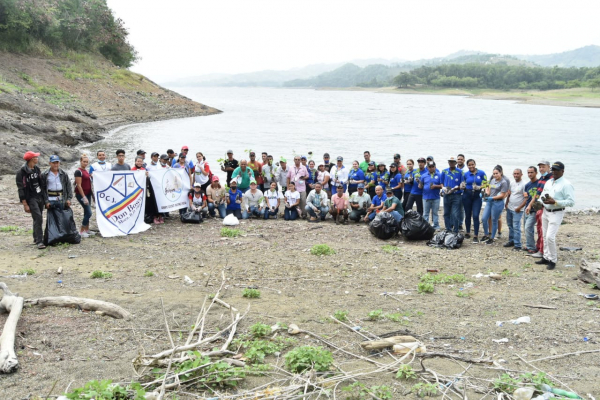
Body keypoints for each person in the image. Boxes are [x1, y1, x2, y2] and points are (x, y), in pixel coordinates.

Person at [535, 162, 575, 270]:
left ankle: (553, 259)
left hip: (556, 212)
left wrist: (555, 202)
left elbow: (571, 202)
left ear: (562, 171)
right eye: (553, 170)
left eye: (557, 170)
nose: (554, 172)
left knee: (550, 237)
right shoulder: (549, 182)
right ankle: (546, 257)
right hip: (546, 211)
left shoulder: (566, 184)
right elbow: (543, 194)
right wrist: (539, 202)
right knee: (544, 236)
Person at [16, 151, 48, 249]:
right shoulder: (22, 172)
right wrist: (25, 203)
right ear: (31, 159)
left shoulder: (37, 169)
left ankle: (35, 238)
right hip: (30, 198)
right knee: (38, 217)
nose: (37, 158)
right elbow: (21, 188)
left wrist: (44, 197)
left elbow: (41, 183)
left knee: (38, 217)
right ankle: (39, 241)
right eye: (36, 157)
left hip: (39, 197)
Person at [526, 161, 552, 258]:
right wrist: (530, 205)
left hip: (545, 207)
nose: (541, 169)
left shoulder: (551, 178)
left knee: (543, 230)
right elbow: (537, 194)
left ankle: (542, 251)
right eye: (540, 167)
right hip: (538, 206)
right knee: (539, 228)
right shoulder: (542, 178)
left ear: (548, 167)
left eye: (543, 167)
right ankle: (539, 247)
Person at [481, 167, 509, 245]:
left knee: (494, 220)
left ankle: (492, 237)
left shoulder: (504, 182)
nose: (495, 175)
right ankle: (486, 234)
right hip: (490, 202)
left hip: (497, 203)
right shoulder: (492, 180)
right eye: (494, 173)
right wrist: (485, 195)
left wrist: (492, 198)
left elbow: (503, 195)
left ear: (501, 173)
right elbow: (489, 191)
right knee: (484, 218)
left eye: (497, 173)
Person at [462, 159, 487, 242]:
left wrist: (480, 187)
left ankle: (476, 234)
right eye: (469, 165)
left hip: (477, 196)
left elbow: (486, 184)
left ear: (475, 164)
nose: (471, 166)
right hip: (467, 195)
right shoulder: (466, 174)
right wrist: (462, 186)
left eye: (472, 164)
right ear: (467, 166)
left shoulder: (481, 173)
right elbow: (463, 183)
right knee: (467, 215)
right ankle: (468, 232)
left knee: (476, 215)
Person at [504, 169, 528, 251]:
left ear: (521, 174)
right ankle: (511, 241)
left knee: (516, 227)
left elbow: (526, 198)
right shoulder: (512, 183)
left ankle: (518, 245)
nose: (516, 175)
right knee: (510, 225)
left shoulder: (524, 184)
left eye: (518, 174)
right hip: (510, 207)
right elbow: (509, 194)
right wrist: (506, 203)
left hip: (518, 209)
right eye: (514, 174)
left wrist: (520, 207)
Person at [441, 157, 464, 233]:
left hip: (456, 195)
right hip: (446, 194)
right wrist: (443, 188)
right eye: (450, 162)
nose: (451, 163)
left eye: (453, 162)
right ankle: (448, 229)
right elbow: (441, 183)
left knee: (455, 213)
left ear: (455, 163)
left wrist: (454, 188)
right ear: (448, 163)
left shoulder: (460, 172)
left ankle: (456, 230)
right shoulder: (444, 171)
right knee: (446, 213)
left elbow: (462, 184)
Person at [74, 154, 94, 238]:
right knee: (89, 212)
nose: (85, 163)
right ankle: (81, 231)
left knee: (86, 211)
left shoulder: (86, 171)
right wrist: (83, 197)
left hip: (88, 193)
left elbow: (89, 183)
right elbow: (79, 185)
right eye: (84, 162)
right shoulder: (78, 171)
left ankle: (87, 229)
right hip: (81, 194)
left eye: (87, 162)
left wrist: (92, 196)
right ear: (80, 161)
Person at [420, 161, 442, 230]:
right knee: (425, 213)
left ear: (435, 167)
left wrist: (435, 186)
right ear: (427, 167)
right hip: (426, 197)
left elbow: (442, 186)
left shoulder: (439, 175)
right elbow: (420, 185)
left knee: (435, 213)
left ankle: (436, 225)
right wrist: (419, 184)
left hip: (436, 197)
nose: (431, 168)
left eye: (433, 166)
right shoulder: (424, 175)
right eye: (430, 167)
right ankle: (425, 226)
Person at [523, 166, 539, 254]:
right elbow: (527, 197)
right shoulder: (527, 185)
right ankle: (530, 245)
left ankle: (532, 248)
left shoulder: (539, 183)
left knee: (528, 228)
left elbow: (537, 197)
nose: (530, 174)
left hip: (534, 209)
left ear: (536, 173)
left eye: (531, 172)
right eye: (528, 172)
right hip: (527, 209)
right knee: (527, 229)